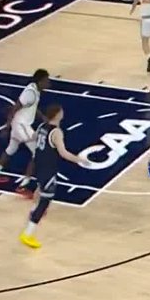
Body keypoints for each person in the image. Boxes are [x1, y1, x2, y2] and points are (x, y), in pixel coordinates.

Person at [19, 104, 91, 249]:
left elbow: (33, 137)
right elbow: (63, 153)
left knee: (40, 189)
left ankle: (33, 212)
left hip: (38, 165)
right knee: (45, 200)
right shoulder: (56, 132)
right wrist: (80, 160)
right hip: (47, 168)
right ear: (57, 114)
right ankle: (28, 233)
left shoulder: (41, 126)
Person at [0, 68, 50, 196]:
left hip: (19, 125)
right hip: (22, 126)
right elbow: (15, 108)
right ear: (40, 81)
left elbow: (32, 106)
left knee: (10, 149)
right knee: (37, 153)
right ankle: (23, 186)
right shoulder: (30, 93)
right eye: (46, 81)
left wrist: (42, 116)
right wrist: (7, 127)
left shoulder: (35, 90)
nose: (48, 83)